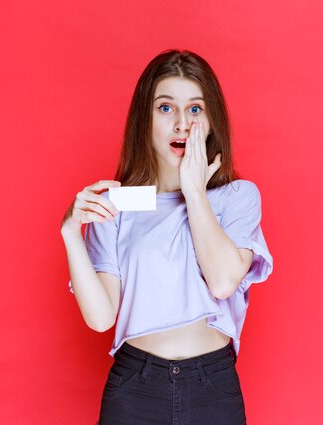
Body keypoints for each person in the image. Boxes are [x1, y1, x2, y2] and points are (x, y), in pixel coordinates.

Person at [60, 49, 273, 425]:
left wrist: (194, 191)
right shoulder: (119, 202)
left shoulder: (237, 197)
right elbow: (100, 317)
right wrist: (71, 235)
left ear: (211, 119)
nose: (181, 124)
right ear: (146, 119)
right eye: (165, 108)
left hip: (212, 388)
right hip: (135, 387)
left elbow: (223, 282)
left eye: (194, 109)